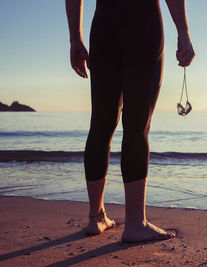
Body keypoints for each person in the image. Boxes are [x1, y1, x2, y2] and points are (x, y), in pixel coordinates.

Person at [65, 0, 195, 243]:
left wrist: (75, 38)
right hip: (143, 24)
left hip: (105, 26)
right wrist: (183, 32)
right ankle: (135, 223)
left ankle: (96, 217)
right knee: (137, 126)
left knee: (101, 124)